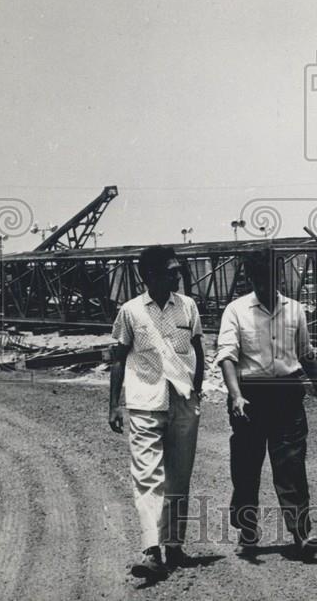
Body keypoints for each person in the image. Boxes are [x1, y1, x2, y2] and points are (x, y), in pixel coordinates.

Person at [216, 248, 317, 560]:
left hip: (287, 395)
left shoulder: (295, 310)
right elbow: (227, 356)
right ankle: (247, 531)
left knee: (292, 466)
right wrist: (236, 395)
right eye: (260, 279)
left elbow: (305, 352)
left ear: (278, 276)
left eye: (271, 277)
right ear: (251, 278)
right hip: (250, 397)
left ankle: (301, 533)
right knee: (246, 467)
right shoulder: (236, 311)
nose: (267, 284)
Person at [109, 245, 205, 579]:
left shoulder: (188, 307)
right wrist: (114, 405)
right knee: (147, 478)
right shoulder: (131, 311)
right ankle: (151, 551)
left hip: (183, 403)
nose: (178, 275)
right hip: (144, 403)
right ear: (150, 275)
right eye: (171, 270)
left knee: (179, 477)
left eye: (178, 270)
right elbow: (119, 357)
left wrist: (197, 393)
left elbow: (198, 351)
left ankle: (175, 547)